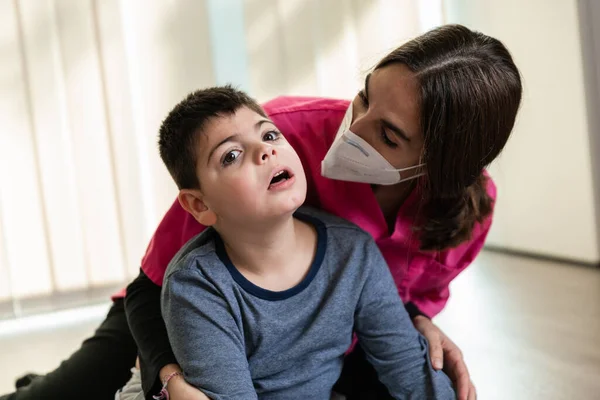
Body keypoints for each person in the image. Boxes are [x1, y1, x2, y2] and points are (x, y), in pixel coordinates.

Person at [4, 24, 522, 400]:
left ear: (441, 165)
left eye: (388, 135)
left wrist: (419, 324)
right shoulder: (280, 140)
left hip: (325, 343)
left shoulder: (460, 215)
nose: (354, 130)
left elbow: (395, 314)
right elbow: (152, 288)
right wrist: (167, 376)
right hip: (180, 316)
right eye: (362, 99)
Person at [118, 85, 456, 399]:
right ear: (200, 205)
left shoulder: (353, 251)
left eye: (269, 134)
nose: (264, 150)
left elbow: (410, 370)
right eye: (231, 156)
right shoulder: (198, 284)